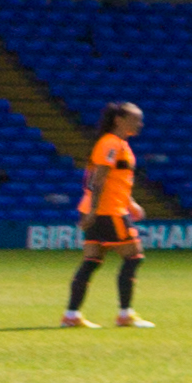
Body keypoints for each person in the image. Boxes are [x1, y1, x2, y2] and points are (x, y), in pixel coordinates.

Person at [62, 98, 148, 330]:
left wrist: (131, 204)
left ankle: (71, 315)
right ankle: (125, 315)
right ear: (119, 120)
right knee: (134, 256)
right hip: (107, 211)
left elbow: (114, 181)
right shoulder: (111, 143)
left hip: (105, 208)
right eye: (136, 119)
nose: (140, 124)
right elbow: (97, 179)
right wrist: (93, 211)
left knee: (91, 261)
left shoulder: (118, 144)